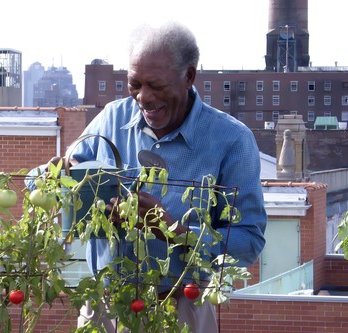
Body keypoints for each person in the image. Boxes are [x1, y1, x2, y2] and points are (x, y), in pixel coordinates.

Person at [35, 21, 267, 332]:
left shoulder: (231, 140)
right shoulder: (111, 120)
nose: (143, 97)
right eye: (135, 84)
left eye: (156, 86)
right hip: (106, 306)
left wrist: (173, 229)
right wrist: (57, 172)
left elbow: (248, 241)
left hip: (181, 305)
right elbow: (38, 181)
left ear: (188, 76)